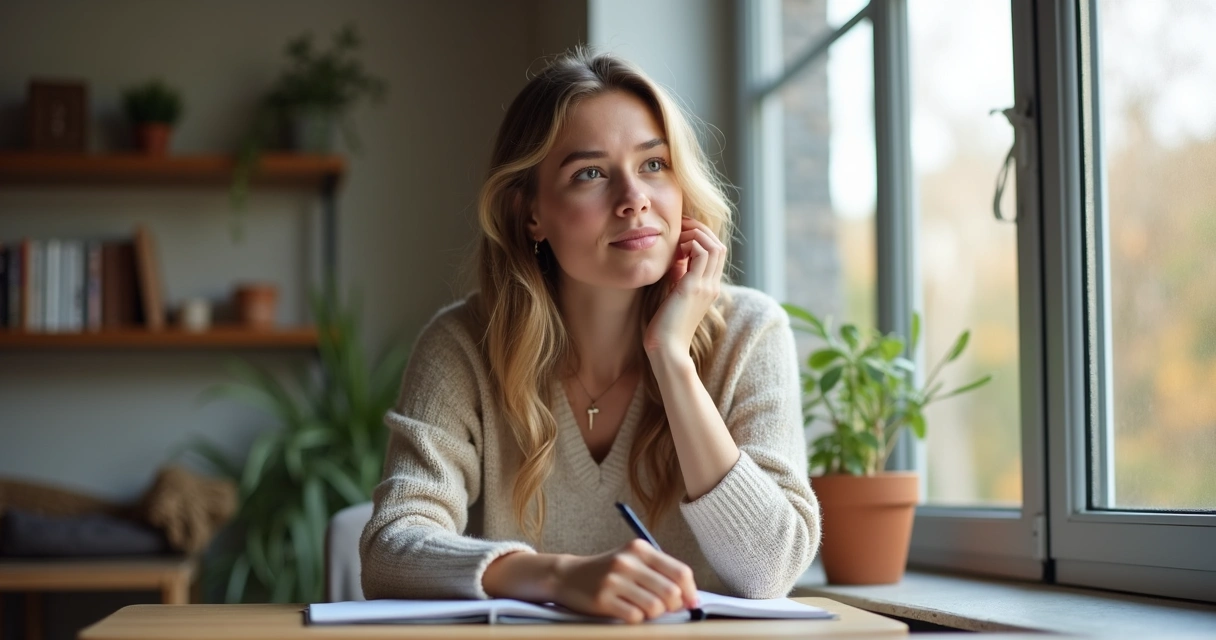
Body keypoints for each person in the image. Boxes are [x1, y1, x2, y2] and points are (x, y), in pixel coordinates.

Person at [360, 48, 820, 623]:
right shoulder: (463, 345)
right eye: (590, 174)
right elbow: (390, 548)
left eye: (654, 164)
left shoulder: (749, 332)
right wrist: (557, 575)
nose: (634, 199)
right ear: (530, 214)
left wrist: (671, 359)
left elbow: (770, 569)